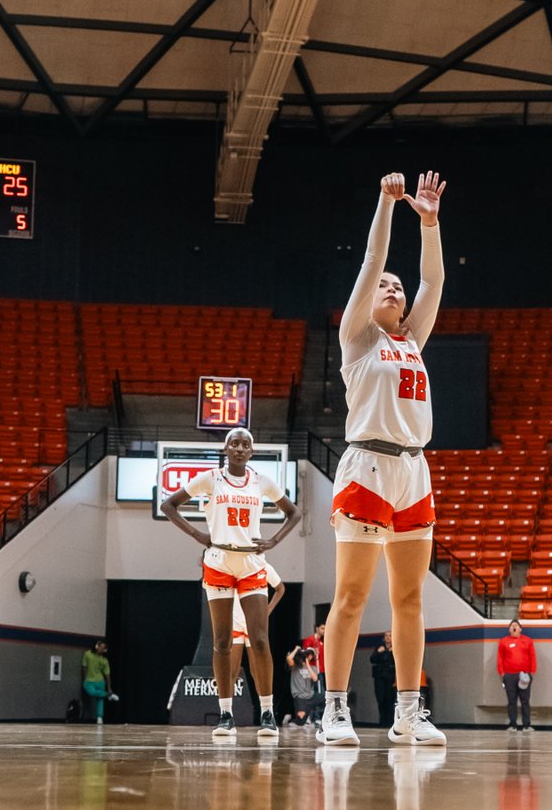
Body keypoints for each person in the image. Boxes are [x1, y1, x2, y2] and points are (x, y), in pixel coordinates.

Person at [319, 170, 448, 748]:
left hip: (414, 471)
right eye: (385, 287)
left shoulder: (412, 340)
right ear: (366, 302)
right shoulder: (357, 338)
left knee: (409, 600)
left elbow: (433, 278)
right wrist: (387, 203)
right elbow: (374, 258)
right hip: (368, 466)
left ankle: (407, 712)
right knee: (350, 597)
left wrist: (430, 222)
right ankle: (335, 708)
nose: (394, 288)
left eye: (399, 288)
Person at [161, 427, 300, 742]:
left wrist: (273, 541)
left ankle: (267, 713)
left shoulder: (262, 481)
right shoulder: (210, 478)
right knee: (222, 643)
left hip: (251, 562)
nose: (240, 447)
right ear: (225, 449)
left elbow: (293, 514)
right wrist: (199, 535)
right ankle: (226, 714)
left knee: (260, 640)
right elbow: (168, 505)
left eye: (246, 444)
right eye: (234, 443)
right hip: (219, 562)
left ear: (252, 451)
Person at [229, 564, 285, 715]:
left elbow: (280, 588)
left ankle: (267, 712)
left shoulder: (263, 566)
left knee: (257, 671)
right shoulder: (232, 565)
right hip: (235, 622)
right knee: (231, 672)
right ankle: (226, 713)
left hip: (253, 623)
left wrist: (269, 609)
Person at [497, 620, 537, 732]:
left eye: (516, 626)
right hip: (509, 675)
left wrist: (532, 672)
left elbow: (532, 657)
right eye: (512, 626)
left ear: (520, 629)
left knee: (525, 700)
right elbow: (500, 658)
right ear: (509, 629)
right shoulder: (504, 642)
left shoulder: (527, 641)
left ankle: (526, 725)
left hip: (524, 675)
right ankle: (513, 724)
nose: (514, 628)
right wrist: (502, 673)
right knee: (511, 701)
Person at [286, 646, 324, 727]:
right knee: (300, 722)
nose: (308, 655)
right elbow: (289, 659)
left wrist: (307, 664)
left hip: (310, 695)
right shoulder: (295, 666)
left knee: (324, 698)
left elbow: (315, 679)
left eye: (310, 654)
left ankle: (317, 719)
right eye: (307, 654)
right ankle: (292, 719)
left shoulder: (313, 668)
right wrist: (296, 649)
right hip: (299, 696)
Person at [81, 640, 118, 725]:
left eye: (103, 648)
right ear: (96, 646)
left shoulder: (105, 660)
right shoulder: (87, 654)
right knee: (92, 692)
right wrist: (84, 679)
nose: (101, 649)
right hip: (89, 681)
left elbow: (107, 675)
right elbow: (84, 666)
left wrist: (109, 688)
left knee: (100, 699)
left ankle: (99, 717)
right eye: (100, 646)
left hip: (100, 681)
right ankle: (109, 695)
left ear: (105, 650)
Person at [371, 630, 397, 728]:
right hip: (380, 677)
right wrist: (378, 652)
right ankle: (382, 721)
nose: (387, 637)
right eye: (386, 636)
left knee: (390, 699)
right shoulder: (380, 647)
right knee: (381, 699)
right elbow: (372, 659)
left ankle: (390, 722)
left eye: (389, 635)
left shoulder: (395, 648)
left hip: (391, 677)